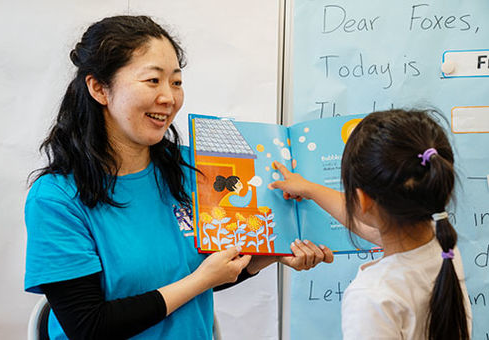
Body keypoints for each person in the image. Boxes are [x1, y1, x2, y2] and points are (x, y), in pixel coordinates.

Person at [24, 15, 334, 340]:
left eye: (176, 82)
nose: (169, 98)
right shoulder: (56, 198)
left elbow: (215, 271)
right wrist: (200, 280)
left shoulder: (192, 169)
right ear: (99, 88)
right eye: (153, 81)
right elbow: (89, 326)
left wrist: (274, 253)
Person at [269, 109, 472, 340]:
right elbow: (370, 225)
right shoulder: (442, 244)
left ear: (363, 199)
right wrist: (311, 189)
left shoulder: (372, 296)